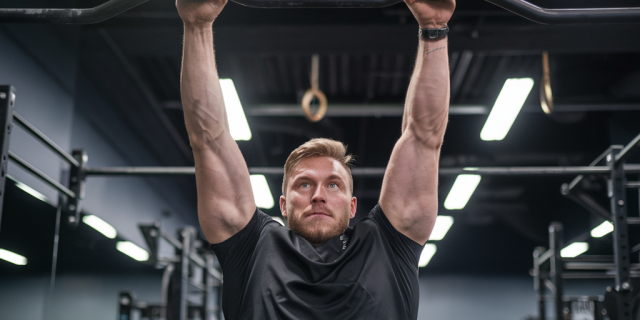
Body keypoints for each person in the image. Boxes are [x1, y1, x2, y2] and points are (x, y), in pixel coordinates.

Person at [176, 0, 454, 318]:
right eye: (304, 184)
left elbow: (424, 137)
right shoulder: (252, 248)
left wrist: (434, 28)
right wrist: (197, 25)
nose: (318, 195)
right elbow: (207, 140)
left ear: (352, 206)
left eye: (333, 185)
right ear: (283, 204)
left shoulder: (387, 247)